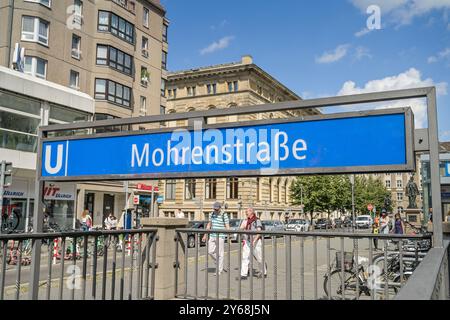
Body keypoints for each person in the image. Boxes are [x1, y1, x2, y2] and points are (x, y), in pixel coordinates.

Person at [237, 207, 267, 280]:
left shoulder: (257, 220)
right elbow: (241, 228)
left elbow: (259, 231)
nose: (246, 213)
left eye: (247, 211)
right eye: (246, 211)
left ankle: (263, 272)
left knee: (259, 258)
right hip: (247, 241)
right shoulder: (245, 220)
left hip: (256, 241)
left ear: (252, 212)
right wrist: (240, 230)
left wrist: (254, 241)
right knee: (245, 257)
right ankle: (243, 274)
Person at [202, 202, 229, 275]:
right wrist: (205, 235)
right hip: (212, 235)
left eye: (217, 209)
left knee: (220, 253)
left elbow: (227, 226)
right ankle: (218, 263)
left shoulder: (224, 215)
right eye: (214, 209)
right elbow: (209, 225)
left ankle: (219, 270)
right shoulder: (211, 214)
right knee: (210, 251)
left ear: (220, 208)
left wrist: (229, 235)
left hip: (220, 236)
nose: (215, 211)